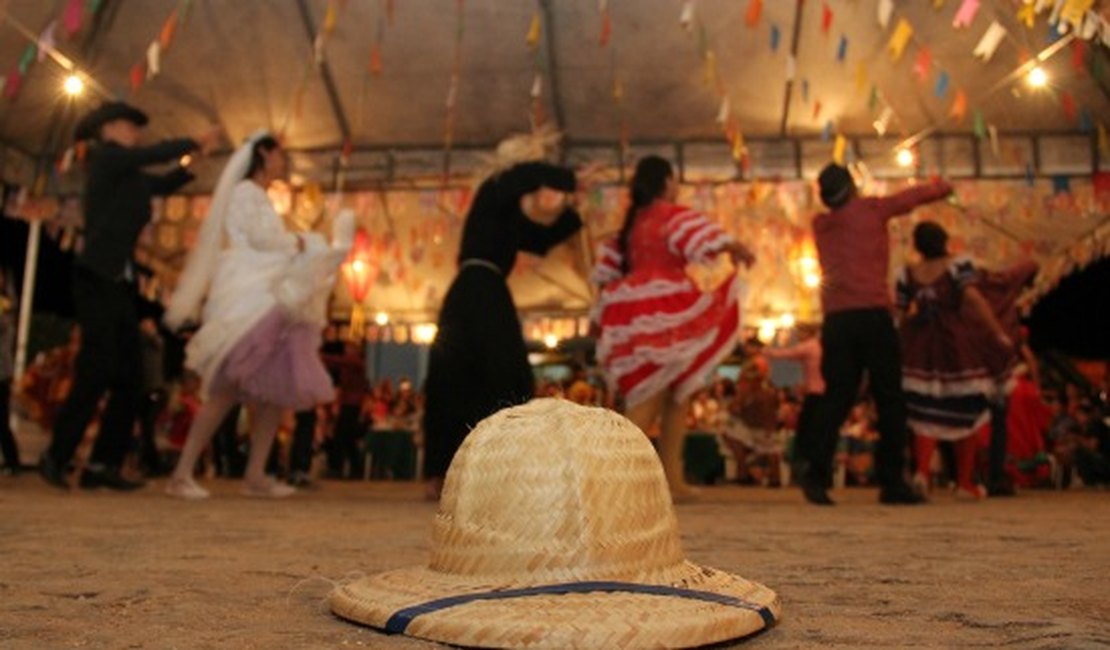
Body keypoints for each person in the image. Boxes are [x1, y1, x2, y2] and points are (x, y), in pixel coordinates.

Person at [39, 101, 219, 491]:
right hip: (94, 275)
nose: (135, 133)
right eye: (128, 126)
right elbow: (148, 155)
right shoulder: (106, 160)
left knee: (132, 377)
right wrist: (191, 140)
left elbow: (163, 182)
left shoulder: (130, 177)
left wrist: (192, 162)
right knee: (97, 367)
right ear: (108, 130)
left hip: (119, 281)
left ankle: (102, 464)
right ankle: (58, 454)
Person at [163, 132, 353, 499]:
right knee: (227, 386)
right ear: (264, 153)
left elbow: (270, 241)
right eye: (280, 153)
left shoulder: (259, 197)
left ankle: (256, 472)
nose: (284, 161)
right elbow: (264, 240)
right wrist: (302, 242)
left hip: (270, 294)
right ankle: (182, 472)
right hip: (251, 296)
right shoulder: (245, 193)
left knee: (274, 390)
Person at [421, 128, 591, 500]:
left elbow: (540, 240)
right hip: (475, 291)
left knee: (490, 373)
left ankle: (491, 468)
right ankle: (447, 471)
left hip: (484, 291)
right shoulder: (495, 188)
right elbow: (526, 175)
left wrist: (575, 209)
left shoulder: (504, 211)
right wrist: (569, 179)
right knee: (478, 374)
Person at [592, 155, 755, 500]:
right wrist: (736, 247)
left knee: (677, 394)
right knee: (651, 396)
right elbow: (699, 234)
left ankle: (670, 479)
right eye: (675, 180)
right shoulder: (667, 214)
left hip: (637, 308)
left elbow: (607, 271)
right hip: (663, 305)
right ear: (667, 182)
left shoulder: (632, 223)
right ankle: (608, 483)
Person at [799, 164, 952, 506]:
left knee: (836, 396)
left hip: (837, 321)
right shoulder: (871, 210)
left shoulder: (820, 225)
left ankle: (815, 472)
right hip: (872, 316)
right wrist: (943, 187)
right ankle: (892, 482)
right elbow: (910, 198)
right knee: (889, 398)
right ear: (852, 188)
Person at [897, 221, 1027, 500]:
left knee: (924, 411)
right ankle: (965, 482)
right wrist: (997, 333)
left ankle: (922, 472)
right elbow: (974, 299)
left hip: (921, 346)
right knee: (967, 409)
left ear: (917, 245)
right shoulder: (958, 266)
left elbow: (899, 313)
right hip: (955, 344)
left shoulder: (908, 273)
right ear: (944, 240)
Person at [763, 324, 825, 480]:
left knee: (806, 431)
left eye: (800, 333)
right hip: (821, 392)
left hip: (815, 394)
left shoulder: (810, 346)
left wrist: (766, 351)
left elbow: (786, 354)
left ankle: (806, 467)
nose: (797, 336)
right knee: (819, 431)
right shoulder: (821, 347)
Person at [0, 269, 22, 475]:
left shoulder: (6, 307)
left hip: (1, 372)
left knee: (2, 420)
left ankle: (12, 461)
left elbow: (5, 327)